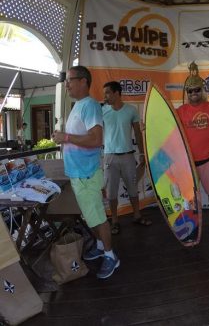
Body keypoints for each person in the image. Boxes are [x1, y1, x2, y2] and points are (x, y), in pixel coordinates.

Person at [52, 66, 119, 279]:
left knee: (98, 219)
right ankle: (100, 246)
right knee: (93, 217)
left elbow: (96, 140)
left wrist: (66, 138)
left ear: (83, 81)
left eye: (70, 80)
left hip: (86, 175)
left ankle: (111, 256)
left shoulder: (89, 105)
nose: (67, 85)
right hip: (81, 174)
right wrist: (63, 136)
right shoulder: (79, 105)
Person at [177, 63, 209, 237]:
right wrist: (147, 126)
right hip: (187, 163)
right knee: (189, 198)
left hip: (207, 159)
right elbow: (165, 126)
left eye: (196, 90)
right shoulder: (180, 111)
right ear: (186, 93)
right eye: (189, 91)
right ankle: (191, 225)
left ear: (202, 90)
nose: (193, 94)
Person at [102, 81, 151, 235]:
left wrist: (142, 154)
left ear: (117, 93)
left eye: (108, 92)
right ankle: (115, 221)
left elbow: (138, 133)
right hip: (110, 157)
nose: (105, 96)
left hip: (128, 156)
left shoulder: (131, 110)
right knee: (111, 192)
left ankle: (137, 215)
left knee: (133, 189)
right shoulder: (102, 111)